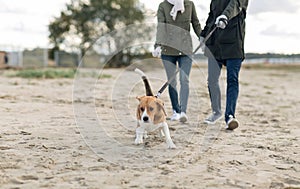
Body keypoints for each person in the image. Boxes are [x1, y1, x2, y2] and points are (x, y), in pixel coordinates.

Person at [200, 0, 249, 130]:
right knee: (212, 80)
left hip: (233, 44)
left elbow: (234, 5)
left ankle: (230, 116)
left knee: (232, 79)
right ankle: (216, 112)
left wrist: (225, 16)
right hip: (215, 45)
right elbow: (212, 15)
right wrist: (203, 34)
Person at [152, 0, 202, 123]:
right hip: (168, 51)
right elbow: (161, 27)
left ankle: (183, 111)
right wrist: (158, 45)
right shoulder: (163, 6)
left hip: (186, 50)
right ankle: (176, 111)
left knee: (184, 80)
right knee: (172, 81)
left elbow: (195, 23)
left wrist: (203, 38)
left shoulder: (189, 4)